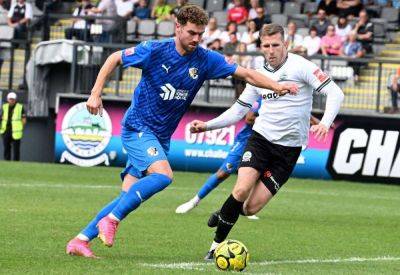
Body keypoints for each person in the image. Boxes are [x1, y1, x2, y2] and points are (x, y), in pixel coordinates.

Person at [65, 5, 298, 258]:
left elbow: (246, 74)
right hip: (137, 128)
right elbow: (114, 58)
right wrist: (95, 93)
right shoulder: (154, 50)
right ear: (177, 27)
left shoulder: (205, 59)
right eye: (191, 33)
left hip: (160, 136)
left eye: (201, 34)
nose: (196, 39)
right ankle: (111, 220)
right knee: (164, 176)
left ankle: (80, 240)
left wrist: (277, 85)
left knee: (126, 196)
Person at [188, 23, 344, 260]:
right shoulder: (257, 77)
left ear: (286, 44)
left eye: (275, 45)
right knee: (240, 189)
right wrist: (207, 125)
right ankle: (215, 247)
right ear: (261, 47)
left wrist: (324, 122)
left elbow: (335, 93)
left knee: (251, 208)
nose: (271, 50)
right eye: (266, 46)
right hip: (260, 140)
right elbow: (238, 110)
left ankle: (224, 211)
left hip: (289, 150)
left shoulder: (301, 66)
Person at [176, 99, 324, 215]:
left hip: (269, 144)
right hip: (247, 140)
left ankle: (243, 207)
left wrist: (319, 122)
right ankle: (194, 201)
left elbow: (301, 112)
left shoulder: (287, 100)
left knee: (259, 176)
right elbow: (248, 118)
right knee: (223, 173)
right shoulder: (263, 98)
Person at [1, 92, 26, 161]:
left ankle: (16, 162)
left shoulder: (20, 107)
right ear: (7, 99)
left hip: (16, 132)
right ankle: (7, 161)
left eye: (13, 99)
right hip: (6, 131)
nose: (11, 100)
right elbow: (1, 117)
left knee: (16, 149)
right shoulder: (4, 107)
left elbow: (23, 119)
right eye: (10, 99)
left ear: (15, 100)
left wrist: (21, 127)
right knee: (6, 148)